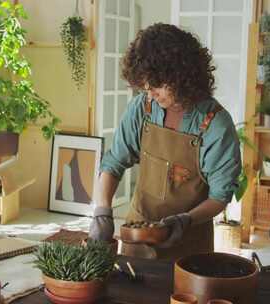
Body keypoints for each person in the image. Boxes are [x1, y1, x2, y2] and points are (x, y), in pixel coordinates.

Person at [88, 23, 241, 261]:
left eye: (156, 86)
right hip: (137, 234)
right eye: (146, 87)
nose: (150, 95)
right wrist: (101, 212)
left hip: (188, 240)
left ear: (181, 76)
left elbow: (219, 197)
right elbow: (113, 163)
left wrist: (184, 221)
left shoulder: (216, 125)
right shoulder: (143, 108)